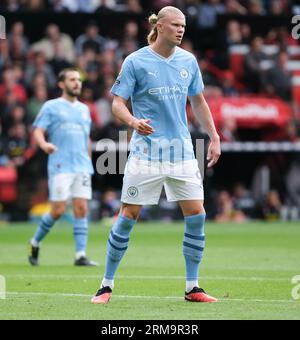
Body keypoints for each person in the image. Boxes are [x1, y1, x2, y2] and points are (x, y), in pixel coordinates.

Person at [91, 6, 221, 304]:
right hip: (146, 153)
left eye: (184, 25)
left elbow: (198, 102)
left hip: (182, 152)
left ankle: (193, 287)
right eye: (175, 25)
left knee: (197, 215)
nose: (180, 30)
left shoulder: (188, 61)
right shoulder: (136, 61)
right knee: (128, 216)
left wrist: (213, 135)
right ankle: (105, 285)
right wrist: (133, 122)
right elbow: (117, 104)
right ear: (159, 26)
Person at [28, 67, 97, 266]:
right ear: (61, 84)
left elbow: (87, 138)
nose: (77, 83)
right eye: (72, 79)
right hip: (60, 164)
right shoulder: (51, 106)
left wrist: (89, 160)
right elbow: (38, 131)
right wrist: (44, 144)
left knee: (81, 208)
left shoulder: (84, 109)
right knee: (58, 210)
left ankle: (80, 255)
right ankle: (35, 242)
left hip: (82, 165)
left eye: (79, 80)